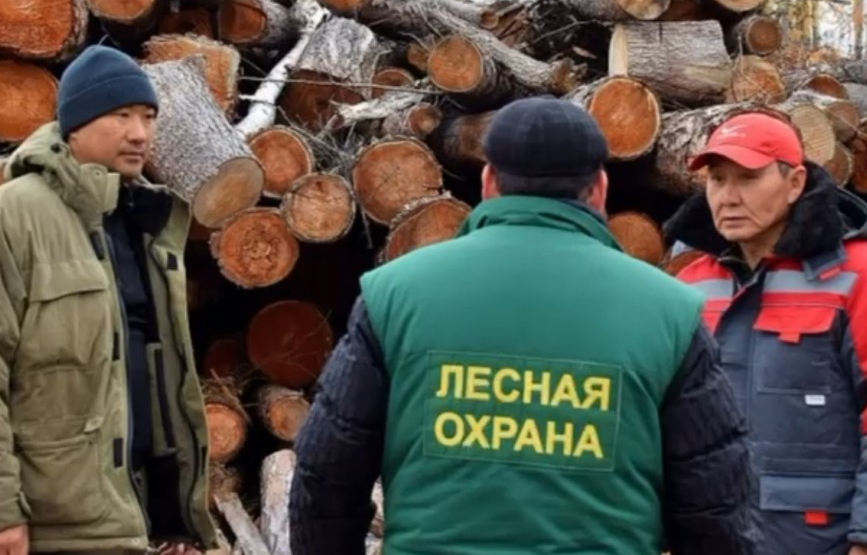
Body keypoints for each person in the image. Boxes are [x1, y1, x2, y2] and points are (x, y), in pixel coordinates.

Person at [288, 96, 758, 555]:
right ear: (599, 188)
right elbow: (715, 506)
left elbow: (327, 477)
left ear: (490, 181)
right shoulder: (668, 311)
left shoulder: (394, 295)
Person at [0, 45, 217, 555]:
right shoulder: (2, 223)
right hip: (37, 531)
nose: (140, 133)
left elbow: (151, 375)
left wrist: (172, 510)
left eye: (148, 116)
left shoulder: (143, 226)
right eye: (120, 115)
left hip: (124, 523)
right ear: (75, 125)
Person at [664, 111, 867, 555]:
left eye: (748, 178)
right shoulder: (691, 287)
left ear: (795, 183)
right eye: (717, 180)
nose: (728, 197)